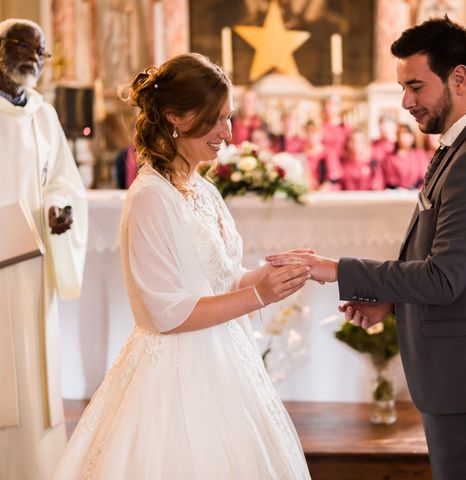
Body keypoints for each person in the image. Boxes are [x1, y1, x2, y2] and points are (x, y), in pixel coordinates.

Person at [268, 16, 466, 480]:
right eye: (402, 87)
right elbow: (455, 261)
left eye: (416, 86)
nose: (405, 102)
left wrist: (337, 268)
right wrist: (390, 299)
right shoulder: (463, 146)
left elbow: (443, 277)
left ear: (458, 77)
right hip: (464, 371)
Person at [54, 53, 311, 479]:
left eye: (228, 118)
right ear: (175, 116)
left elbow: (223, 280)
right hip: (174, 375)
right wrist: (257, 295)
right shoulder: (151, 197)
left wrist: (271, 276)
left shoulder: (203, 188)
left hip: (227, 360)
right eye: (216, 119)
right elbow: (167, 313)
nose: (228, 133)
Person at [0, 18, 88, 480]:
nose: (33, 58)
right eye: (24, 47)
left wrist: (59, 209)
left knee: (33, 374)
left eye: (41, 51)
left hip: (32, 264)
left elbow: (62, 181)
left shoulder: (43, 113)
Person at [382, 123, 429, 189]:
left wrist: (413, 189)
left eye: (409, 134)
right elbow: (389, 180)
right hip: (396, 194)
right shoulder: (390, 158)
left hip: (416, 192)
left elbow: (425, 176)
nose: (406, 138)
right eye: (403, 134)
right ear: (397, 136)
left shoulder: (420, 154)